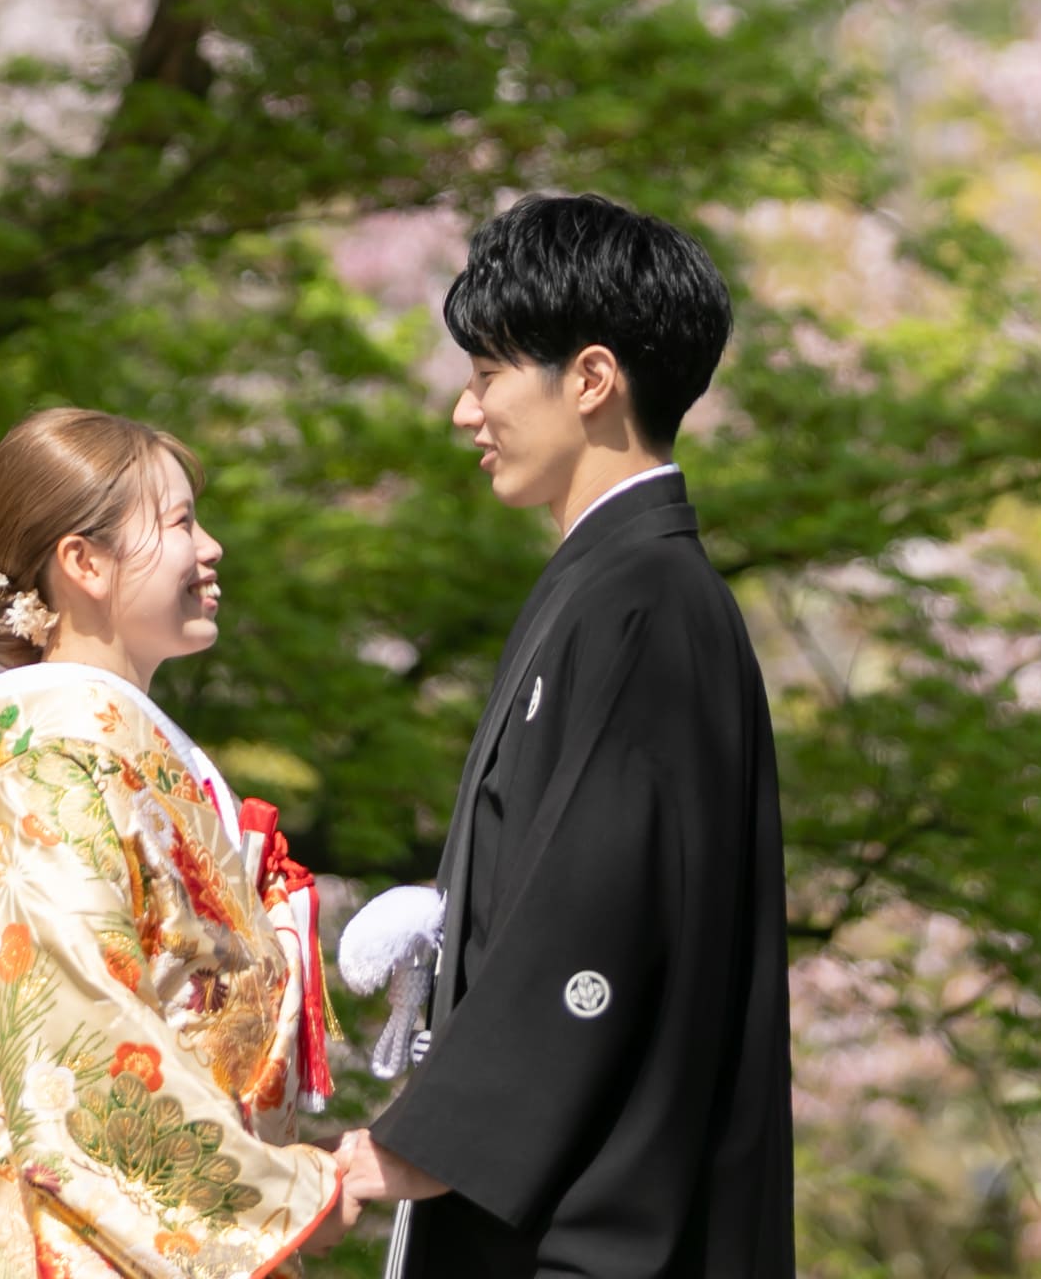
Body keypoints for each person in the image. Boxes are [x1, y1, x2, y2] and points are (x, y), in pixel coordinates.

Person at [338, 197, 794, 1279]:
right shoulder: (620, 589)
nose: (465, 412)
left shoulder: (645, 604)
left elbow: (600, 906)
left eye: (488, 373)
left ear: (590, 380)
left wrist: (431, 1139)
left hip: (589, 1230)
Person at [0, 407, 354, 1279]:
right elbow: (84, 1061)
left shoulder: (79, 783)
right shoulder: (54, 789)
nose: (212, 548)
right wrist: (290, 1193)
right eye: (181, 522)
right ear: (84, 563)